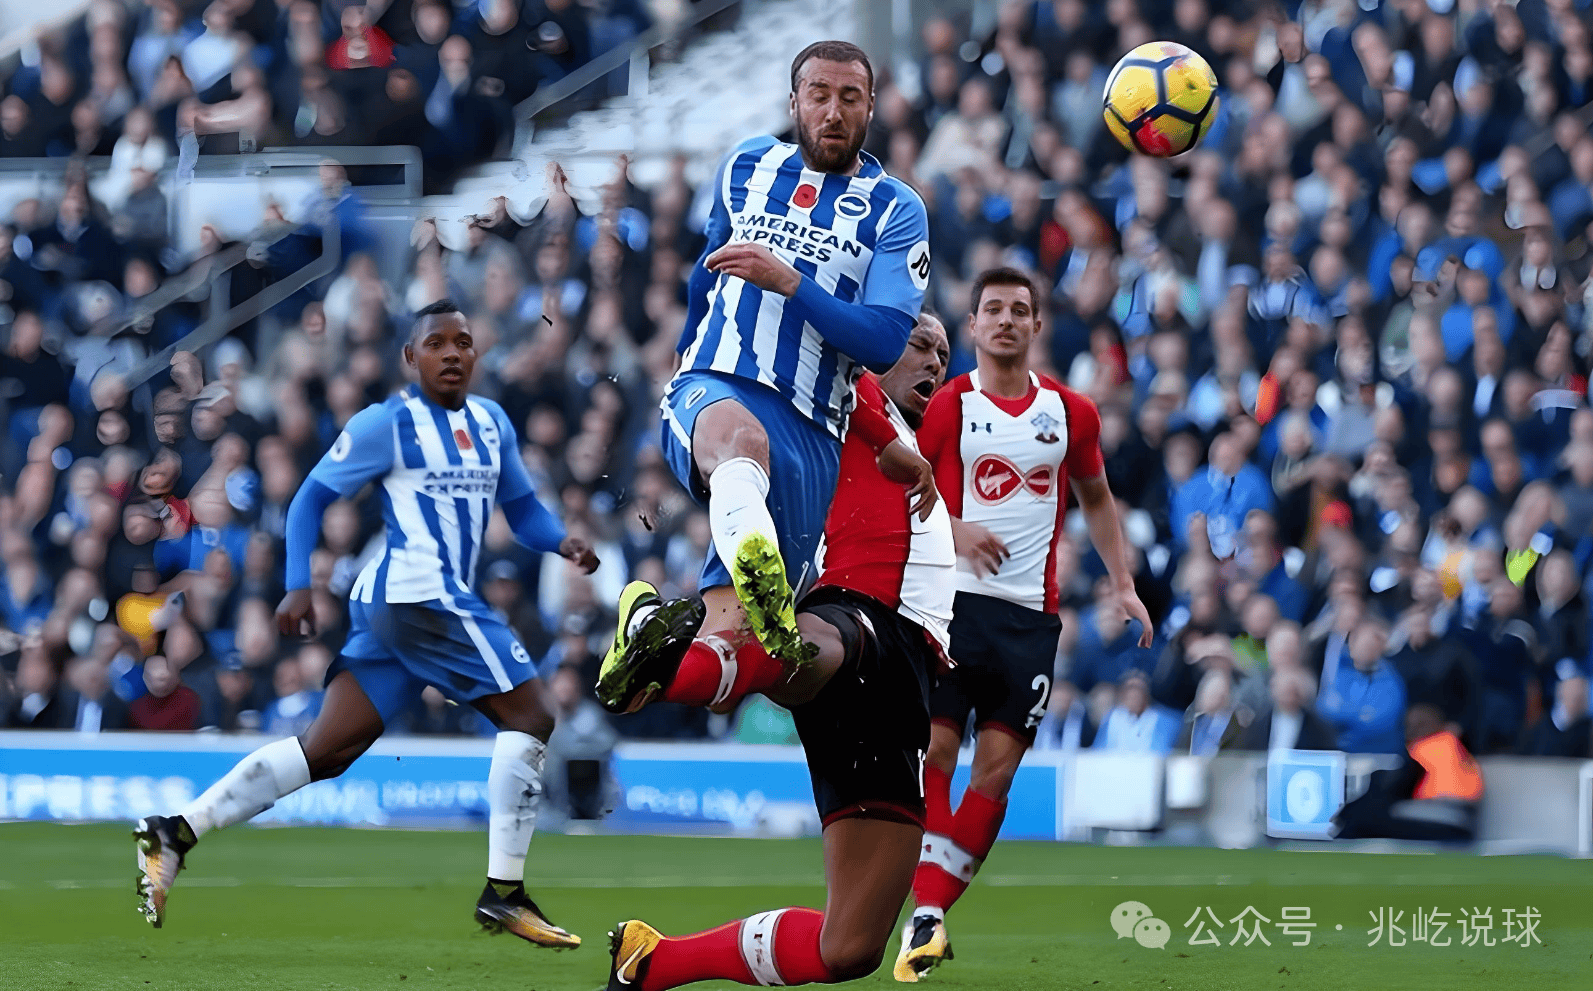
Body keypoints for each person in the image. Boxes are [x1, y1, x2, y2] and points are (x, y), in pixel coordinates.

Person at [132, 300, 599, 950]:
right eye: (435, 342)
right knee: (532, 713)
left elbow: (521, 509)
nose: (453, 352)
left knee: (324, 750)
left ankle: (175, 829)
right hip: (415, 592)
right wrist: (297, 583)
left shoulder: (492, 422)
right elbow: (309, 500)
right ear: (410, 358)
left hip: (404, 612)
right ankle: (504, 892)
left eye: (463, 340)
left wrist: (562, 542)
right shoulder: (387, 422)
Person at [601, 316, 952, 990]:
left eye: (942, 350)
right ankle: (666, 661)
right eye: (918, 342)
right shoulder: (841, 398)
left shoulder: (912, 448)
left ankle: (653, 961)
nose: (934, 358)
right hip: (854, 612)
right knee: (813, 645)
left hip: (906, 675)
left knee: (849, 947)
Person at [597, 40, 931, 724]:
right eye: (818, 95)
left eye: (849, 97)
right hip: (717, 381)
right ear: (793, 103)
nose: (832, 111)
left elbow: (882, 340)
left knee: (759, 658)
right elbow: (707, 271)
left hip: (812, 434)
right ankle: (751, 552)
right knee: (739, 442)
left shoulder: (895, 210)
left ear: (869, 109)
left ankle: (644, 649)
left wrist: (790, 282)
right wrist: (688, 354)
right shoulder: (746, 164)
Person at [896, 267, 1153, 981]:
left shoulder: (1071, 413)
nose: (1005, 320)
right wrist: (957, 526)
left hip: (1028, 619)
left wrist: (1122, 582)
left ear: (1037, 325)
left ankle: (931, 911)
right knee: (935, 753)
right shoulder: (948, 406)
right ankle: (926, 914)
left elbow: (1096, 498)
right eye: (992, 310)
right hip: (948, 607)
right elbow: (904, 491)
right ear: (972, 325)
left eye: (1018, 309)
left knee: (997, 772)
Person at [1334, 703, 1484, 843]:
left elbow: (1397, 786)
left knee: (1364, 817)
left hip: (1445, 821)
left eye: (1416, 725)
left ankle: (1339, 841)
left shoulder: (1426, 747)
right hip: (1462, 821)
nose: (1410, 731)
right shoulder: (1453, 745)